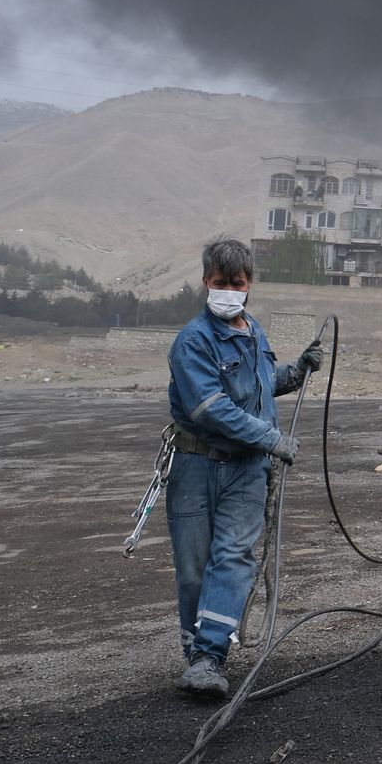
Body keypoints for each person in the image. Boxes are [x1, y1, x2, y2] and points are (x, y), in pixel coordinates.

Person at [164, 238, 323, 697]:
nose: (229, 290)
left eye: (237, 283)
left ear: (248, 285)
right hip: (196, 466)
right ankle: (197, 652)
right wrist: (273, 438)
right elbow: (211, 409)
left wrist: (295, 372)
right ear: (205, 283)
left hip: (247, 470)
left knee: (233, 556)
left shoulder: (253, 331)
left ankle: (209, 657)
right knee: (195, 568)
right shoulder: (192, 341)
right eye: (220, 283)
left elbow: (256, 386)